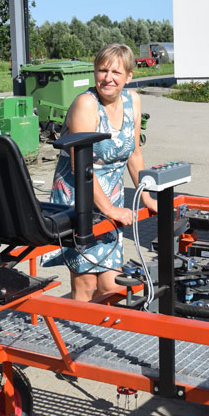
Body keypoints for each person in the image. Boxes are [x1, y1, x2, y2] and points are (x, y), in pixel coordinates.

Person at [44, 43, 158, 301]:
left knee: (110, 285)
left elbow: (134, 153)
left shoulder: (133, 101)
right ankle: (76, 326)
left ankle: (103, 325)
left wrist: (147, 197)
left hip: (111, 199)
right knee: (85, 284)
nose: (108, 78)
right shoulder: (86, 104)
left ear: (129, 76)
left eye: (116, 72)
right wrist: (109, 210)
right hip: (80, 200)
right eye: (102, 70)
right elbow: (80, 165)